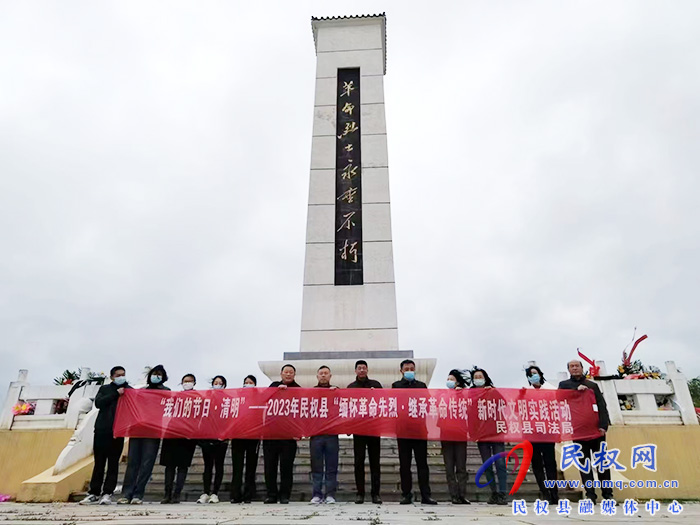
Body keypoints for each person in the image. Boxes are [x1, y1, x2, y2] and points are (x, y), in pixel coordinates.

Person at [558, 359, 612, 503]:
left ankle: (608, 495)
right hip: (578, 432)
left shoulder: (592, 385)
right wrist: (575, 392)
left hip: (596, 431)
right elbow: (559, 401)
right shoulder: (564, 386)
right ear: (569, 370)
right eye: (572, 366)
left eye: (577, 366)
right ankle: (590, 495)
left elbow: (602, 406)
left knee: (602, 463)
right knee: (584, 464)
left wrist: (603, 426)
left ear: (582, 368)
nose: (575, 368)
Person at [118, 365, 170, 504]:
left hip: (153, 431)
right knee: (132, 462)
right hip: (137, 430)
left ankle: (138, 494)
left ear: (163, 377)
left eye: (159, 374)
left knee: (147, 463)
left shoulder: (166, 392)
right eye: (154, 373)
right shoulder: (141, 392)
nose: (156, 376)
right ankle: (126, 493)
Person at [80, 366, 132, 505]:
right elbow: (99, 403)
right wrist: (116, 394)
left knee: (113, 464)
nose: (121, 377)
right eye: (118, 375)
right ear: (112, 377)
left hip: (118, 432)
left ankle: (108, 493)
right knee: (99, 463)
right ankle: (94, 492)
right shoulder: (105, 389)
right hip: (102, 430)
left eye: (123, 374)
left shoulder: (130, 391)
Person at [392, 359, 437, 505]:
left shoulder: (421, 386)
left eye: (412, 368)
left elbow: (429, 405)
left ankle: (426, 495)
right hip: (403, 431)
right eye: (407, 369)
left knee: (422, 464)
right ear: (401, 371)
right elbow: (393, 404)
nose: (409, 371)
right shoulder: (396, 386)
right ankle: (406, 494)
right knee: (404, 465)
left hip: (419, 430)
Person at [263, 364, 301, 504]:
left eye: (291, 372)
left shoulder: (298, 389)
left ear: (294, 375)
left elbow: (302, 413)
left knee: (286, 467)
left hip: (288, 436)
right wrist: (275, 391)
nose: (288, 374)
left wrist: (299, 432)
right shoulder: (273, 385)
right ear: (281, 374)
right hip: (271, 434)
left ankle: (285, 495)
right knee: (269, 467)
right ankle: (271, 494)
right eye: (286, 372)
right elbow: (262, 399)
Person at [347, 359, 383, 504]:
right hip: (358, 430)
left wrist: (377, 394)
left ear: (367, 370)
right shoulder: (351, 387)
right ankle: (360, 493)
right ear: (355, 371)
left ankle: (376, 493)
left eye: (364, 368)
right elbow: (347, 408)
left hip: (374, 429)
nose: (362, 370)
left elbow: (384, 403)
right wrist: (348, 427)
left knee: (375, 462)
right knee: (358, 461)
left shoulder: (376, 385)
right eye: (359, 368)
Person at [159, 374, 198, 504]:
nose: (187, 383)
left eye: (190, 381)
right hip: (172, 433)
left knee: (182, 467)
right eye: (185, 381)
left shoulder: (199, 398)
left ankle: (177, 494)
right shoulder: (175, 397)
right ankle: (167, 493)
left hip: (187, 435)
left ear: (194, 383)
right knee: (169, 466)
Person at [471, 367, 507, 505]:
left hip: (496, 432)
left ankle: (503, 493)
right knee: (487, 465)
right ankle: (494, 493)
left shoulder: (492, 391)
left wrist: (493, 392)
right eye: (476, 377)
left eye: (480, 376)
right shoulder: (471, 393)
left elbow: (503, 403)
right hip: (482, 434)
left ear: (485, 378)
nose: (478, 379)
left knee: (500, 463)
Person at [524, 365, 559, 504]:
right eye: (531, 374)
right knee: (537, 464)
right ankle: (544, 492)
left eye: (535, 373)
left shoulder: (550, 390)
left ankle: (554, 493)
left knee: (550, 463)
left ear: (540, 374)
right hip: (531, 433)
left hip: (547, 432)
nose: (534, 376)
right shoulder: (525, 392)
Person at [198, 375, 230, 504]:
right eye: (216, 382)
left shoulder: (228, 400)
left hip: (221, 440)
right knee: (208, 467)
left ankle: (215, 493)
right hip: (207, 438)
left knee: (219, 466)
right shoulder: (207, 399)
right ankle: (205, 492)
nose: (218, 385)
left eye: (220, 383)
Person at [310, 366, 339, 504]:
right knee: (316, 466)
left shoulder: (336, 391)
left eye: (326, 373)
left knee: (331, 466)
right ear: (317, 376)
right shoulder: (310, 393)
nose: (323, 375)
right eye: (321, 373)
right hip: (316, 434)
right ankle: (317, 494)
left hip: (332, 435)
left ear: (330, 376)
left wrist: (337, 393)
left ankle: (330, 494)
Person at [441, 369, 470, 505]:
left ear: (457, 382)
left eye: (452, 379)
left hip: (460, 434)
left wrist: (460, 394)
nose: (449, 381)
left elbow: (470, 408)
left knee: (461, 466)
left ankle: (462, 494)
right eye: (448, 379)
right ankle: (453, 495)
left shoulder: (464, 395)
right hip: (446, 434)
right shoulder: (443, 395)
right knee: (449, 467)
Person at [231, 374, 260, 504]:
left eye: (251, 382)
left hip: (253, 437)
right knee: (237, 467)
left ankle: (248, 494)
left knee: (250, 467)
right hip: (238, 436)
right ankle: (235, 495)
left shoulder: (259, 399)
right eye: (246, 382)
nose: (248, 384)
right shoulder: (237, 399)